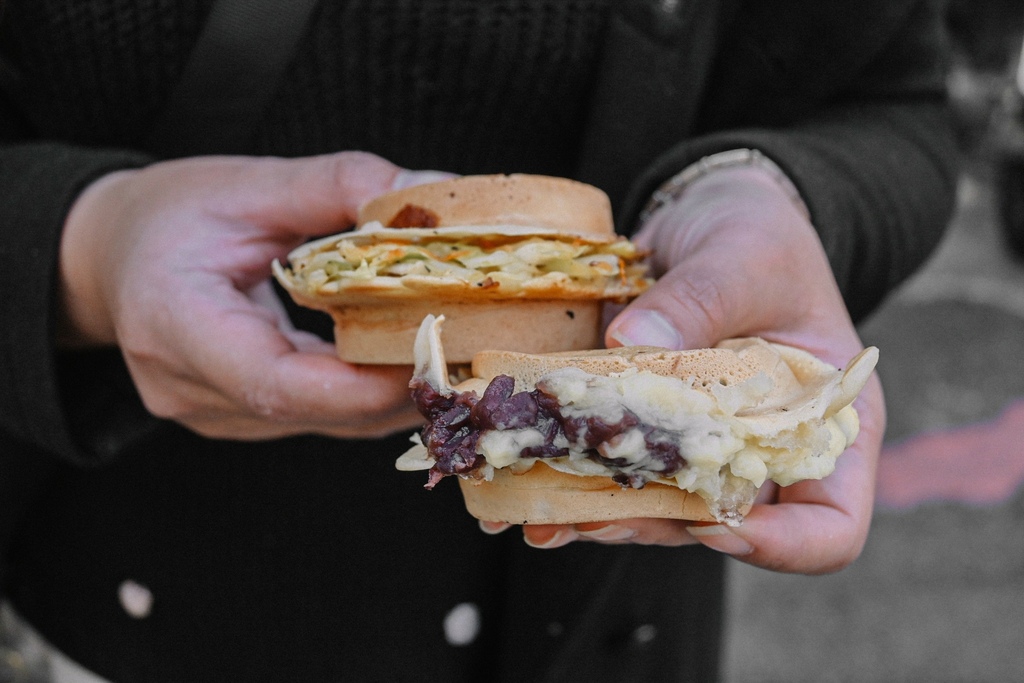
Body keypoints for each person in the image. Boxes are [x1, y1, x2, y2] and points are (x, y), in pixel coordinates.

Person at [0, 1, 957, 681]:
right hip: (130, 609)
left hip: (613, 619)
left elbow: (895, 106)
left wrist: (768, 187)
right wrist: (79, 246)